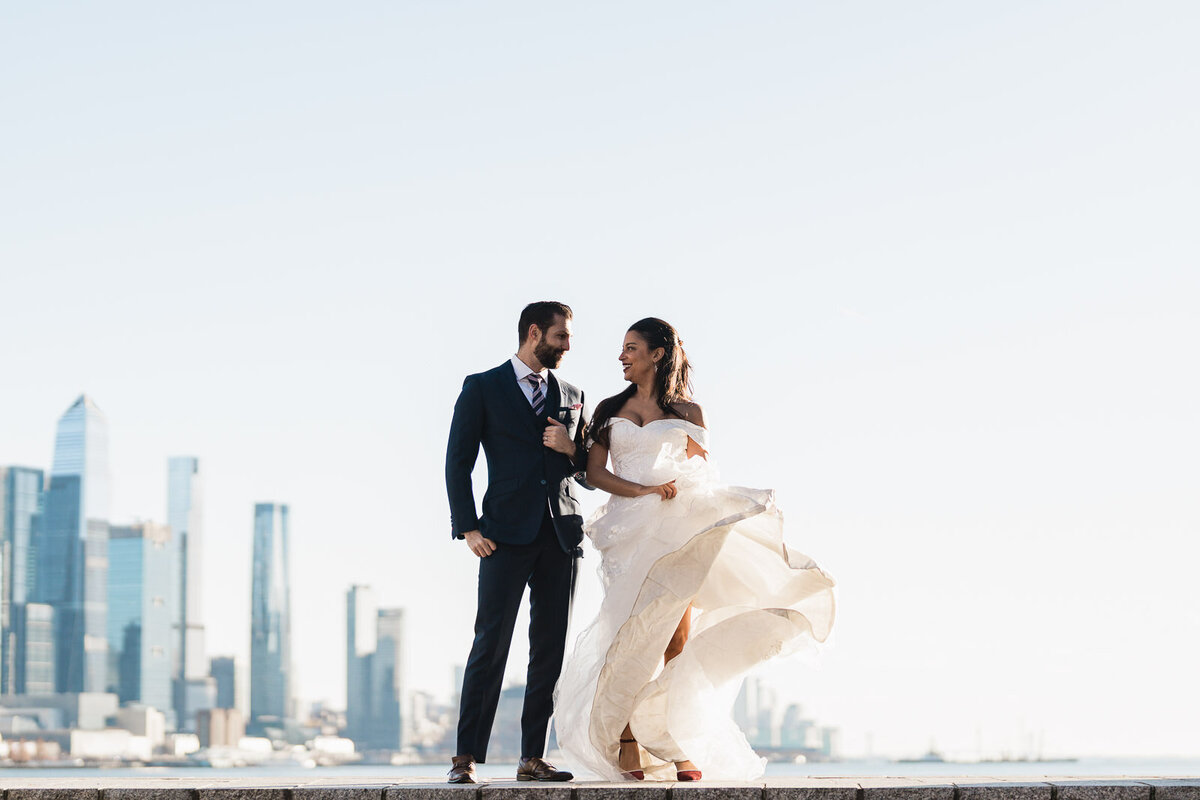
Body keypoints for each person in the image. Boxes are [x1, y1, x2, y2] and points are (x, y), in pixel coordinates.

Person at [553, 317, 836, 782]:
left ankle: (674, 739)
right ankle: (626, 741)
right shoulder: (608, 408)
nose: (622, 356)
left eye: (631, 348)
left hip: (673, 532)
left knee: (676, 641)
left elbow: (703, 475)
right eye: (622, 349)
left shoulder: (689, 413)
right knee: (628, 638)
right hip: (628, 533)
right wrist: (642, 492)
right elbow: (596, 474)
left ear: (657, 354)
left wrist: (713, 509)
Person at [444, 301, 590, 784]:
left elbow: (585, 471)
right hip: (502, 536)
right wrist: (468, 528)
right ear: (534, 333)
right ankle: (464, 760)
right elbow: (457, 461)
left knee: (549, 648)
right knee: (491, 644)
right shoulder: (482, 387)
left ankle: (532, 757)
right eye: (561, 337)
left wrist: (572, 449)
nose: (568, 346)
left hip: (561, 535)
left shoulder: (572, 393)